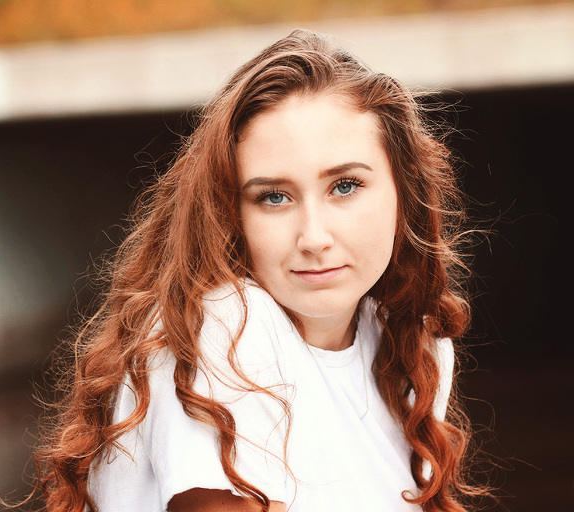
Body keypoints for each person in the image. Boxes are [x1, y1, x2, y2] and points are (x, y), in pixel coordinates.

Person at [35, 30, 485, 512]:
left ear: (404, 191)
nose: (314, 237)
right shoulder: (222, 326)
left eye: (345, 186)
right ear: (230, 214)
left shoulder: (411, 345)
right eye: (274, 197)